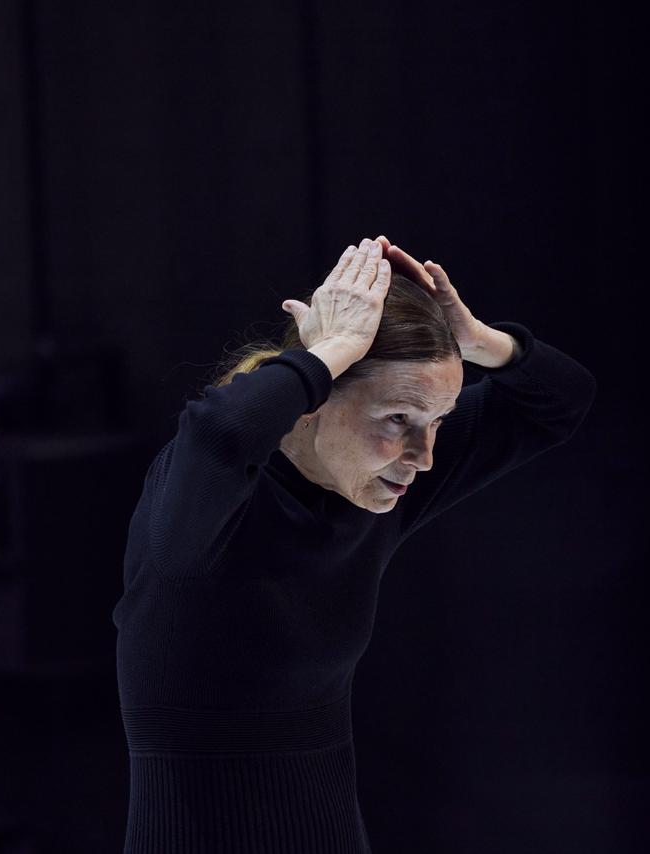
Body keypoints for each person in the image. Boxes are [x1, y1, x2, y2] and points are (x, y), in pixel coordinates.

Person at [112, 235, 597, 852]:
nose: (423, 459)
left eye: (438, 423)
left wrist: (478, 342)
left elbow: (560, 402)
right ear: (313, 402)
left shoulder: (375, 489)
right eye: (397, 419)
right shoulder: (202, 512)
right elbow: (220, 431)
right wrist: (332, 348)